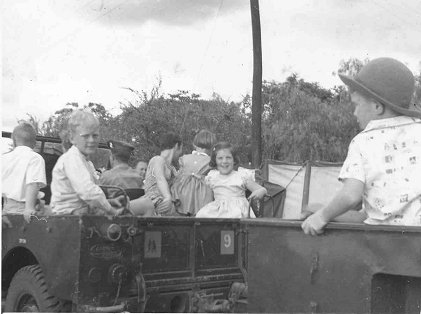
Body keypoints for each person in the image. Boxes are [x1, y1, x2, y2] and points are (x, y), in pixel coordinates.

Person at [302, 57, 421, 235]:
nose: (354, 112)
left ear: (377, 107)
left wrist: (321, 217)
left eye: (357, 105)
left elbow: (351, 195)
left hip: (382, 241)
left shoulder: (364, 141)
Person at [50, 110, 122, 215]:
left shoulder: (85, 161)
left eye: (95, 135)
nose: (91, 140)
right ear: (72, 138)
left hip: (79, 209)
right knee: (122, 219)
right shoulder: (72, 159)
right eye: (86, 136)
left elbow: (93, 190)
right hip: (68, 214)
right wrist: (111, 210)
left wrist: (109, 202)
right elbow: (88, 192)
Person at [196, 142, 267, 218]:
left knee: (235, 217)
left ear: (234, 160)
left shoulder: (241, 176)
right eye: (220, 158)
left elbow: (261, 189)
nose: (224, 161)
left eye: (228, 158)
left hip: (238, 210)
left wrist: (259, 192)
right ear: (215, 161)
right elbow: (207, 198)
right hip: (218, 210)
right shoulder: (212, 177)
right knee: (202, 215)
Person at [130, 132, 183, 216]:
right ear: (176, 146)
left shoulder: (172, 168)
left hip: (165, 204)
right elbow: (160, 178)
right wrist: (167, 197)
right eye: (181, 149)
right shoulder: (157, 160)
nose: (181, 153)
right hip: (153, 202)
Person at [2, 122, 46, 219]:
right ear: (34, 143)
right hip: (24, 209)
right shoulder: (35, 158)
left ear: (13, 140)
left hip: (5, 207)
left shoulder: (3, 159)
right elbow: (33, 183)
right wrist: (29, 208)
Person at [171, 129, 216, 215]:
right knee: (202, 214)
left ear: (194, 144)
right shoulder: (210, 161)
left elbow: (179, 174)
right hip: (202, 193)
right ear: (212, 146)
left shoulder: (185, 158)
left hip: (183, 190)